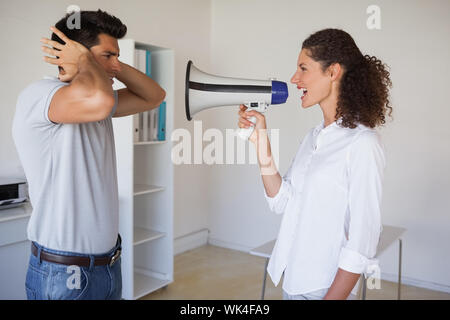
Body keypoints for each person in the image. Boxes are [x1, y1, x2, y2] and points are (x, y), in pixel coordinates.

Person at [12, 10, 166, 300]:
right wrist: (83, 61)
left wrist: (109, 66)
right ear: (70, 52)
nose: (115, 65)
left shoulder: (97, 103)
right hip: (64, 273)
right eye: (107, 55)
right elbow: (100, 99)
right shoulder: (42, 94)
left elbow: (154, 96)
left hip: (107, 265)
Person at [238, 28, 392, 300]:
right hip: (292, 280)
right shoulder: (314, 137)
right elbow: (281, 201)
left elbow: (363, 240)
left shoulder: (363, 143)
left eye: (303, 68)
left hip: (325, 288)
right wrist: (260, 140)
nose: (294, 79)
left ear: (333, 72)